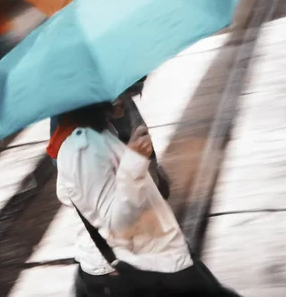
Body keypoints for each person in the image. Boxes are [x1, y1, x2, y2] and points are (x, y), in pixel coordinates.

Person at [47, 102, 239, 296]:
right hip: (138, 267)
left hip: (151, 257)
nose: (127, 98)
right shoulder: (84, 149)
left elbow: (68, 194)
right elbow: (118, 225)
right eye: (119, 94)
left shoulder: (100, 133)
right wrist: (134, 161)